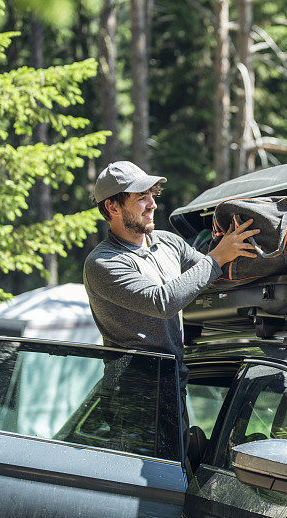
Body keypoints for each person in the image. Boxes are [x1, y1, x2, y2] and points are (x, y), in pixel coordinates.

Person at [83, 161, 258, 454]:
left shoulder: (168, 244)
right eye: (141, 198)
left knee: (176, 478)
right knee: (154, 491)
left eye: (152, 195)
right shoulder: (103, 262)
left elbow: (209, 276)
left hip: (173, 384)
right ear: (112, 207)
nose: (152, 204)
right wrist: (216, 258)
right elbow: (162, 301)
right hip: (133, 393)